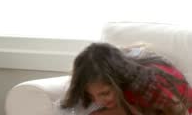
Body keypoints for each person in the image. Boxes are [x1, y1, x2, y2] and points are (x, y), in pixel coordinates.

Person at [61, 42, 192, 115]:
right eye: (92, 96)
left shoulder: (149, 84)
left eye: (105, 93)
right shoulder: (114, 64)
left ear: (119, 79)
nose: (99, 101)